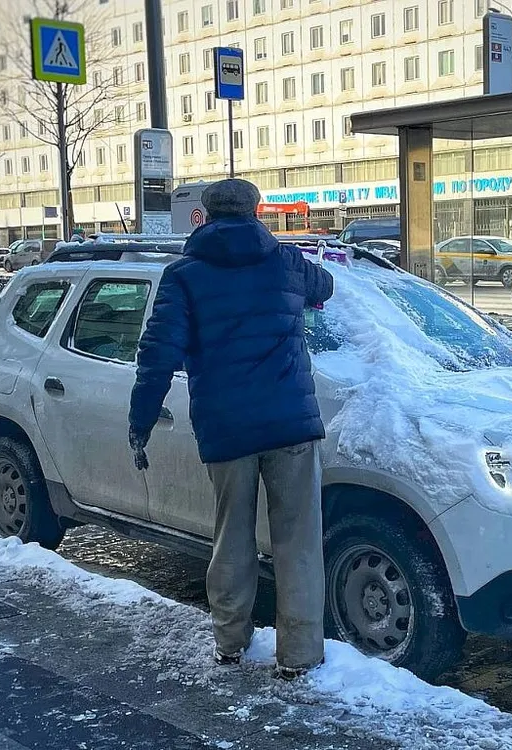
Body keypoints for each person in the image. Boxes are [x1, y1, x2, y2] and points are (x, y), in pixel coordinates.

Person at [127, 179, 334, 681]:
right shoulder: (285, 261)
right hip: (291, 424)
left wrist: (140, 421)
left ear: (205, 215)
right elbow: (323, 287)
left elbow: (158, 355)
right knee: (299, 541)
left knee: (232, 537)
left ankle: (229, 643)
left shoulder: (183, 275)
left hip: (226, 428)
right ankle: (300, 654)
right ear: (257, 210)